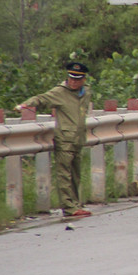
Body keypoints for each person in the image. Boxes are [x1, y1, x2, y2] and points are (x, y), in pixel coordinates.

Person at [20, 61, 93, 217]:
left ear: (83, 80)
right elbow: (42, 98)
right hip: (65, 139)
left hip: (78, 139)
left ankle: (75, 203)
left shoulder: (85, 92)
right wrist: (26, 104)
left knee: (76, 174)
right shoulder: (60, 92)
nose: (73, 82)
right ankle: (69, 207)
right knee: (64, 174)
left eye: (77, 79)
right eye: (71, 78)